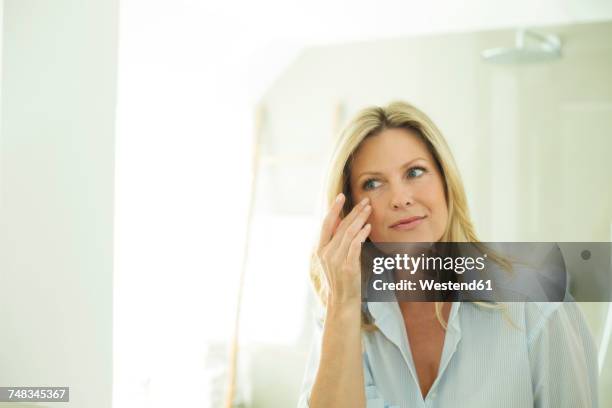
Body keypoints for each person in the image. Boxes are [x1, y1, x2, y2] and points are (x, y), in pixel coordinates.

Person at [297, 101, 598, 407]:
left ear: (445, 182)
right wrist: (343, 305)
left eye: (415, 172)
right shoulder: (343, 314)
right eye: (373, 183)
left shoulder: (537, 302)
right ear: (349, 210)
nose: (400, 198)